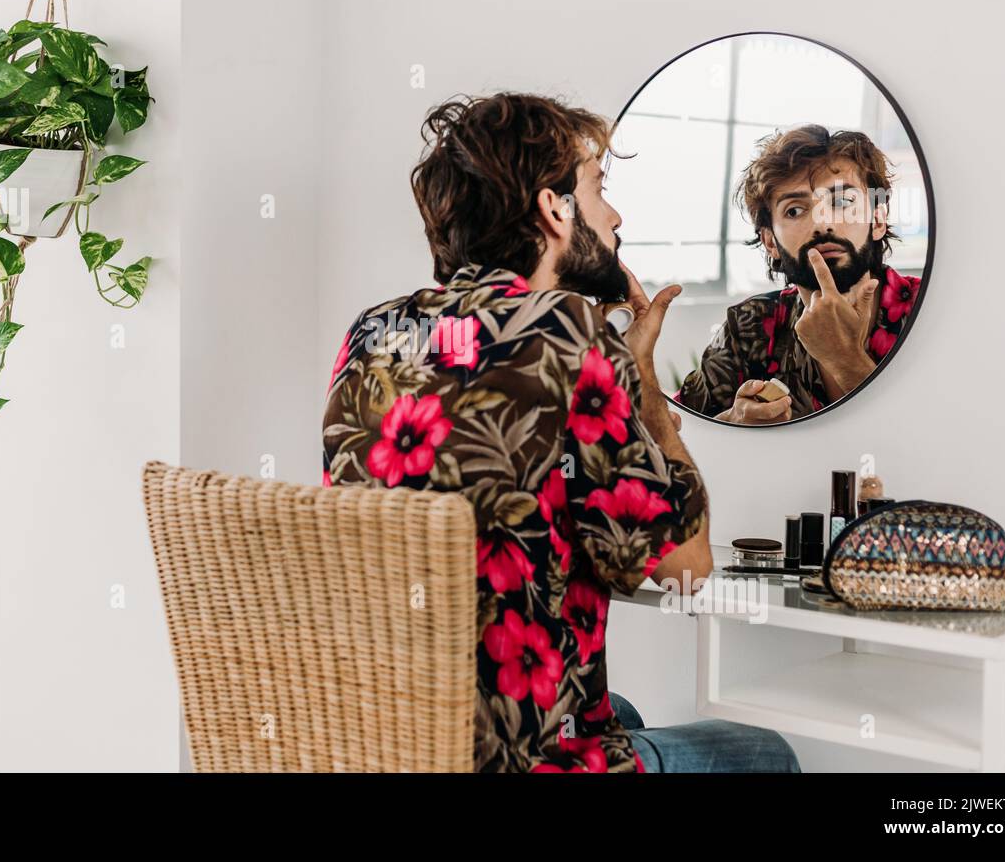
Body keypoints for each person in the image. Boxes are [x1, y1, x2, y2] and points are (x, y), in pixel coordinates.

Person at [321, 92, 799, 772]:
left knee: (622, 712)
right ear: (555, 209)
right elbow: (687, 569)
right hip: (520, 758)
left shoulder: (373, 332)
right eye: (599, 188)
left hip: (407, 734)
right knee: (762, 752)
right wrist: (639, 375)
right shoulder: (571, 337)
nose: (614, 215)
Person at [676, 124, 922, 423]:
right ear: (770, 242)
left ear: (878, 220)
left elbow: (947, 442)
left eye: (843, 202)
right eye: (794, 210)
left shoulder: (930, 311)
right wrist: (732, 420)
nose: (823, 224)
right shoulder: (747, 326)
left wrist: (844, 359)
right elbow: (678, 434)